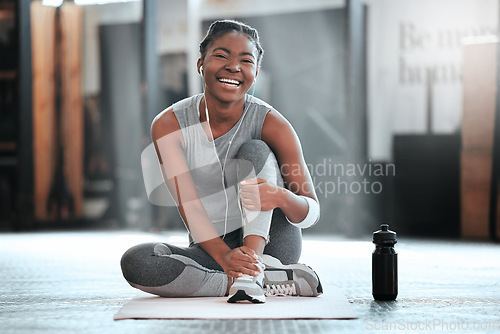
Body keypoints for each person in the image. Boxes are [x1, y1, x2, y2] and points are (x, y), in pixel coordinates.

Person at [121, 19, 322, 303]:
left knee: (255, 149)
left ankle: (251, 273)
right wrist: (225, 257)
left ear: (255, 71)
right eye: (221, 56)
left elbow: (311, 212)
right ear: (201, 64)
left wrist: (281, 197)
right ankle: (262, 280)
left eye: (245, 60)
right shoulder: (169, 124)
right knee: (138, 261)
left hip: (272, 246)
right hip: (212, 248)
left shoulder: (273, 124)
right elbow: (189, 207)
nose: (233, 66)